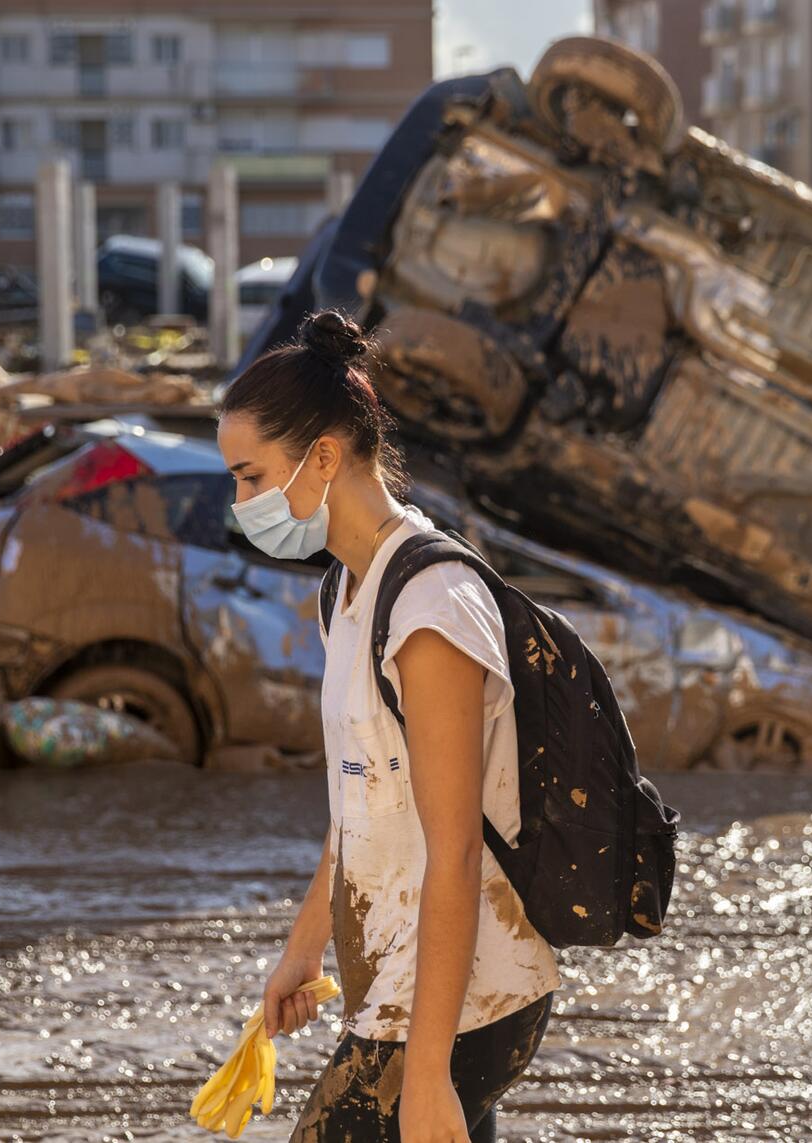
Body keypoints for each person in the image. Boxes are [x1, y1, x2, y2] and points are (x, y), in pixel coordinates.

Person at [215, 310, 560, 1142]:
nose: (240, 503)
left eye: (250, 476)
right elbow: (359, 802)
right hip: (407, 982)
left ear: (324, 456)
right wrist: (307, 947)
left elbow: (458, 846)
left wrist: (431, 1070)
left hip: (465, 998)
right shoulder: (345, 591)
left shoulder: (432, 608)